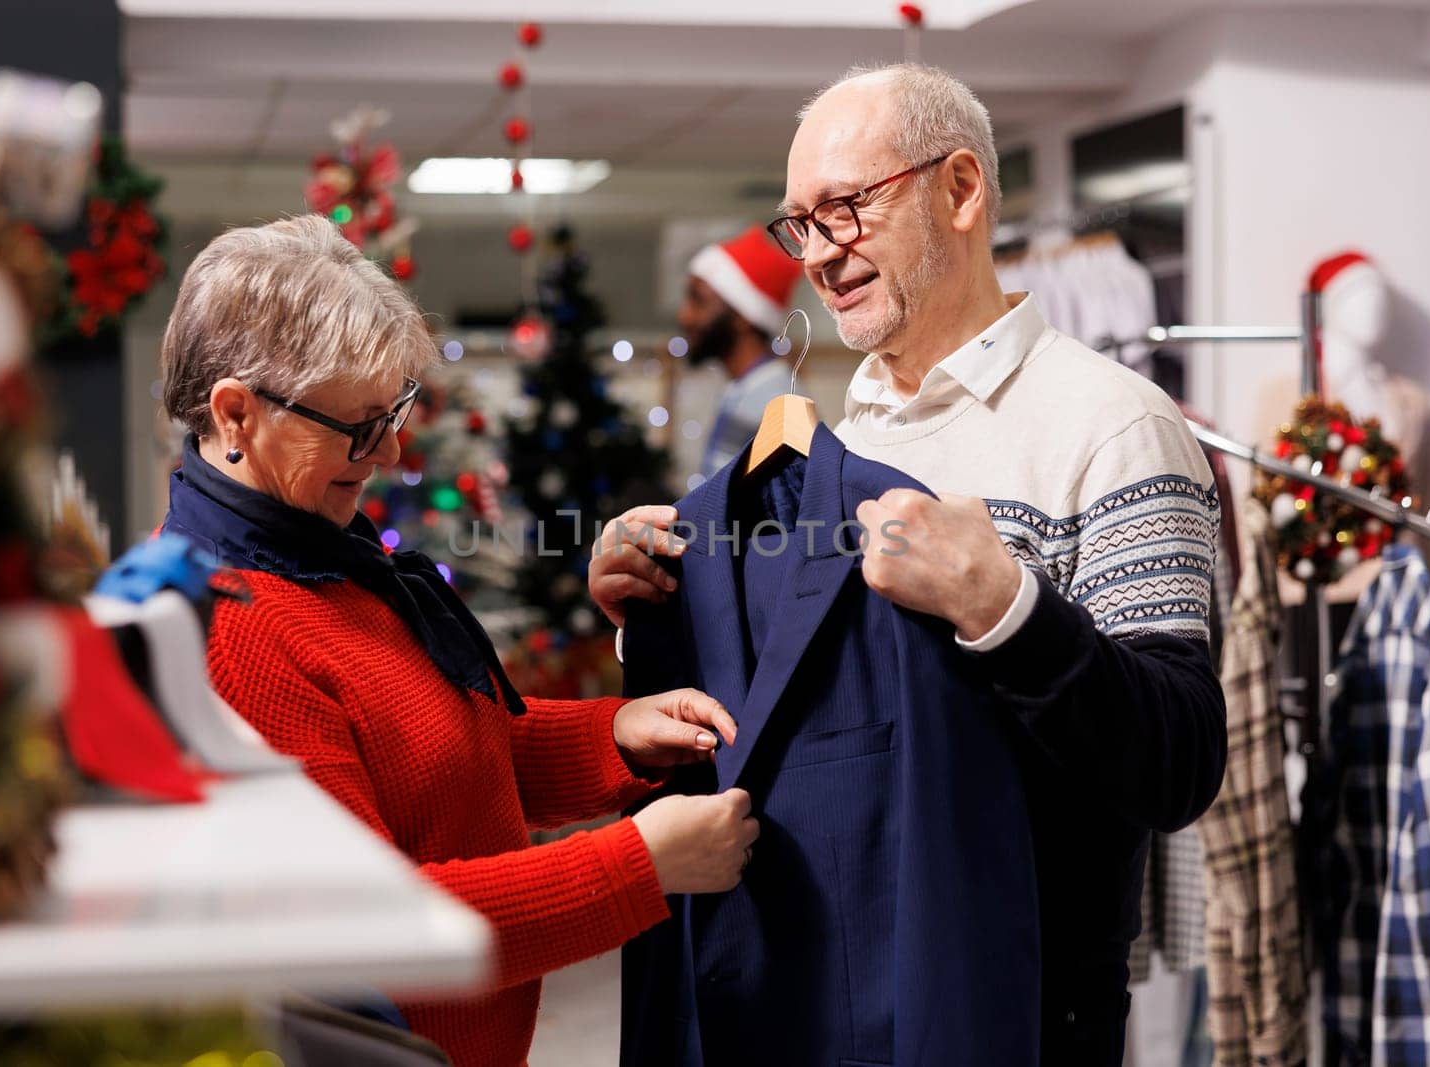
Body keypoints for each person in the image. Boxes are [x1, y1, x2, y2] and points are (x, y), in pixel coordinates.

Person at [592, 64, 1228, 1066]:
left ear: (961, 189)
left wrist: (1005, 605)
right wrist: (657, 608)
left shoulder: (1112, 426)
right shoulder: (843, 436)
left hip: (1021, 1005)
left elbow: (1178, 759)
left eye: (844, 208)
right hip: (827, 988)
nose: (817, 253)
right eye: (797, 223)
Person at [157, 216, 759, 1067]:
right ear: (235, 414)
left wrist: (612, 733)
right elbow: (370, 923)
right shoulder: (233, 627)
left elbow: (443, 758)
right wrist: (637, 866)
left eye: (393, 413)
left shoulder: (330, 556)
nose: (392, 450)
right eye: (360, 426)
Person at [679, 225, 803, 476]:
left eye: (698, 300)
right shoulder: (743, 391)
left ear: (743, 317)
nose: (685, 316)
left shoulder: (777, 404)